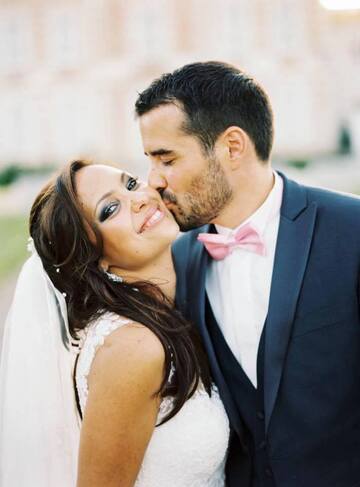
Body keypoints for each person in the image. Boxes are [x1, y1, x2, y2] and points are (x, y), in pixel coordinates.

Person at [135, 61, 360, 487]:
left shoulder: (352, 230)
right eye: (150, 160)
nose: (153, 181)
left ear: (232, 146)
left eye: (167, 159)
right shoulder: (179, 259)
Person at [0, 160, 230, 487]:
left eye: (131, 184)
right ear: (94, 258)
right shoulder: (134, 348)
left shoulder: (162, 316)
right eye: (110, 209)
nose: (139, 199)